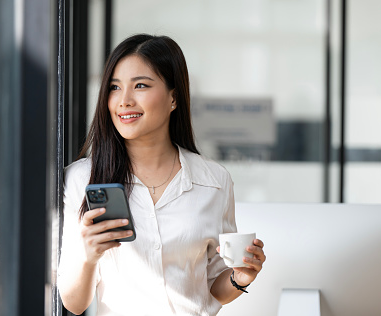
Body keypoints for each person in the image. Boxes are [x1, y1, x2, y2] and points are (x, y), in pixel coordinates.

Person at [57, 34, 266, 316]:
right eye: (115, 88)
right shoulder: (82, 179)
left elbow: (214, 287)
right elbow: (73, 303)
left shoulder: (214, 181)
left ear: (174, 98)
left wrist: (240, 278)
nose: (124, 100)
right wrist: (87, 255)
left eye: (140, 85)